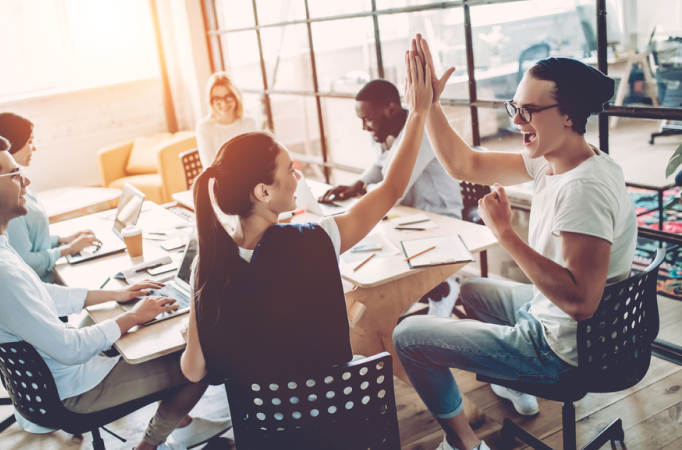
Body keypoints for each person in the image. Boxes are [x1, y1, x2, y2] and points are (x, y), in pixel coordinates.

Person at [393, 35, 637, 450]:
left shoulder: (583, 190)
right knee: (472, 290)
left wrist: (505, 233)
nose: (517, 119)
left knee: (408, 337)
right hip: (566, 326)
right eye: (515, 107)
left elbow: (581, 301)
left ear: (567, 115)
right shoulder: (560, 159)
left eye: (529, 110)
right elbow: (463, 163)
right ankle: (516, 384)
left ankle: (467, 444)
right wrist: (430, 104)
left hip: (561, 353)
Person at [179, 41, 432, 431]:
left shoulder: (209, 262)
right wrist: (419, 112)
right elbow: (391, 187)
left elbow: (194, 370)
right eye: (289, 169)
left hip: (266, 430)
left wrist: (199, 328)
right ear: (263, 192)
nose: (298, 176)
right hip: (335, 422)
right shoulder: (315, 239)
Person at [0, 133, 230, 450]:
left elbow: (39, 294)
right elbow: (70, 349)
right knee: (203, 361)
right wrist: (131, 317)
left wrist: (117, 296)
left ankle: (178, 424)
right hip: (76, 390)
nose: (26, 180)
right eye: (14, 175)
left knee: (126, 324)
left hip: (50, 377)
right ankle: (149, 445)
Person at [319, 79, 463, 220]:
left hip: (441, 217)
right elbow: (380, 163)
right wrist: (355, 185)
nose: (364, 127)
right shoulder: (380, 132)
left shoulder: (422, 133)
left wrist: (364, 188)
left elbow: (393, 193)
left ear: (391, 109)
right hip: (407, 215)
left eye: (368, 119)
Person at [0, 112, 98, 282]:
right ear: (13, 142)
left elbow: (32, 239)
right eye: (30, 141)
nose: (34, 148)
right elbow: (25, 262)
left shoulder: (20, 183)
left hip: (50, 272)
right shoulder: (8, 199)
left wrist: (62, 240)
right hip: (41, 284)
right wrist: (68, 249)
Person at [195, 72, 258, 168]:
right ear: (211, 101)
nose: (224, 104)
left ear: (236, 97)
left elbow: (253, 160)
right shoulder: (204, 127)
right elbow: (210, 167)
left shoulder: (249, 122)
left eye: (228, 97)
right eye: (218, 99)